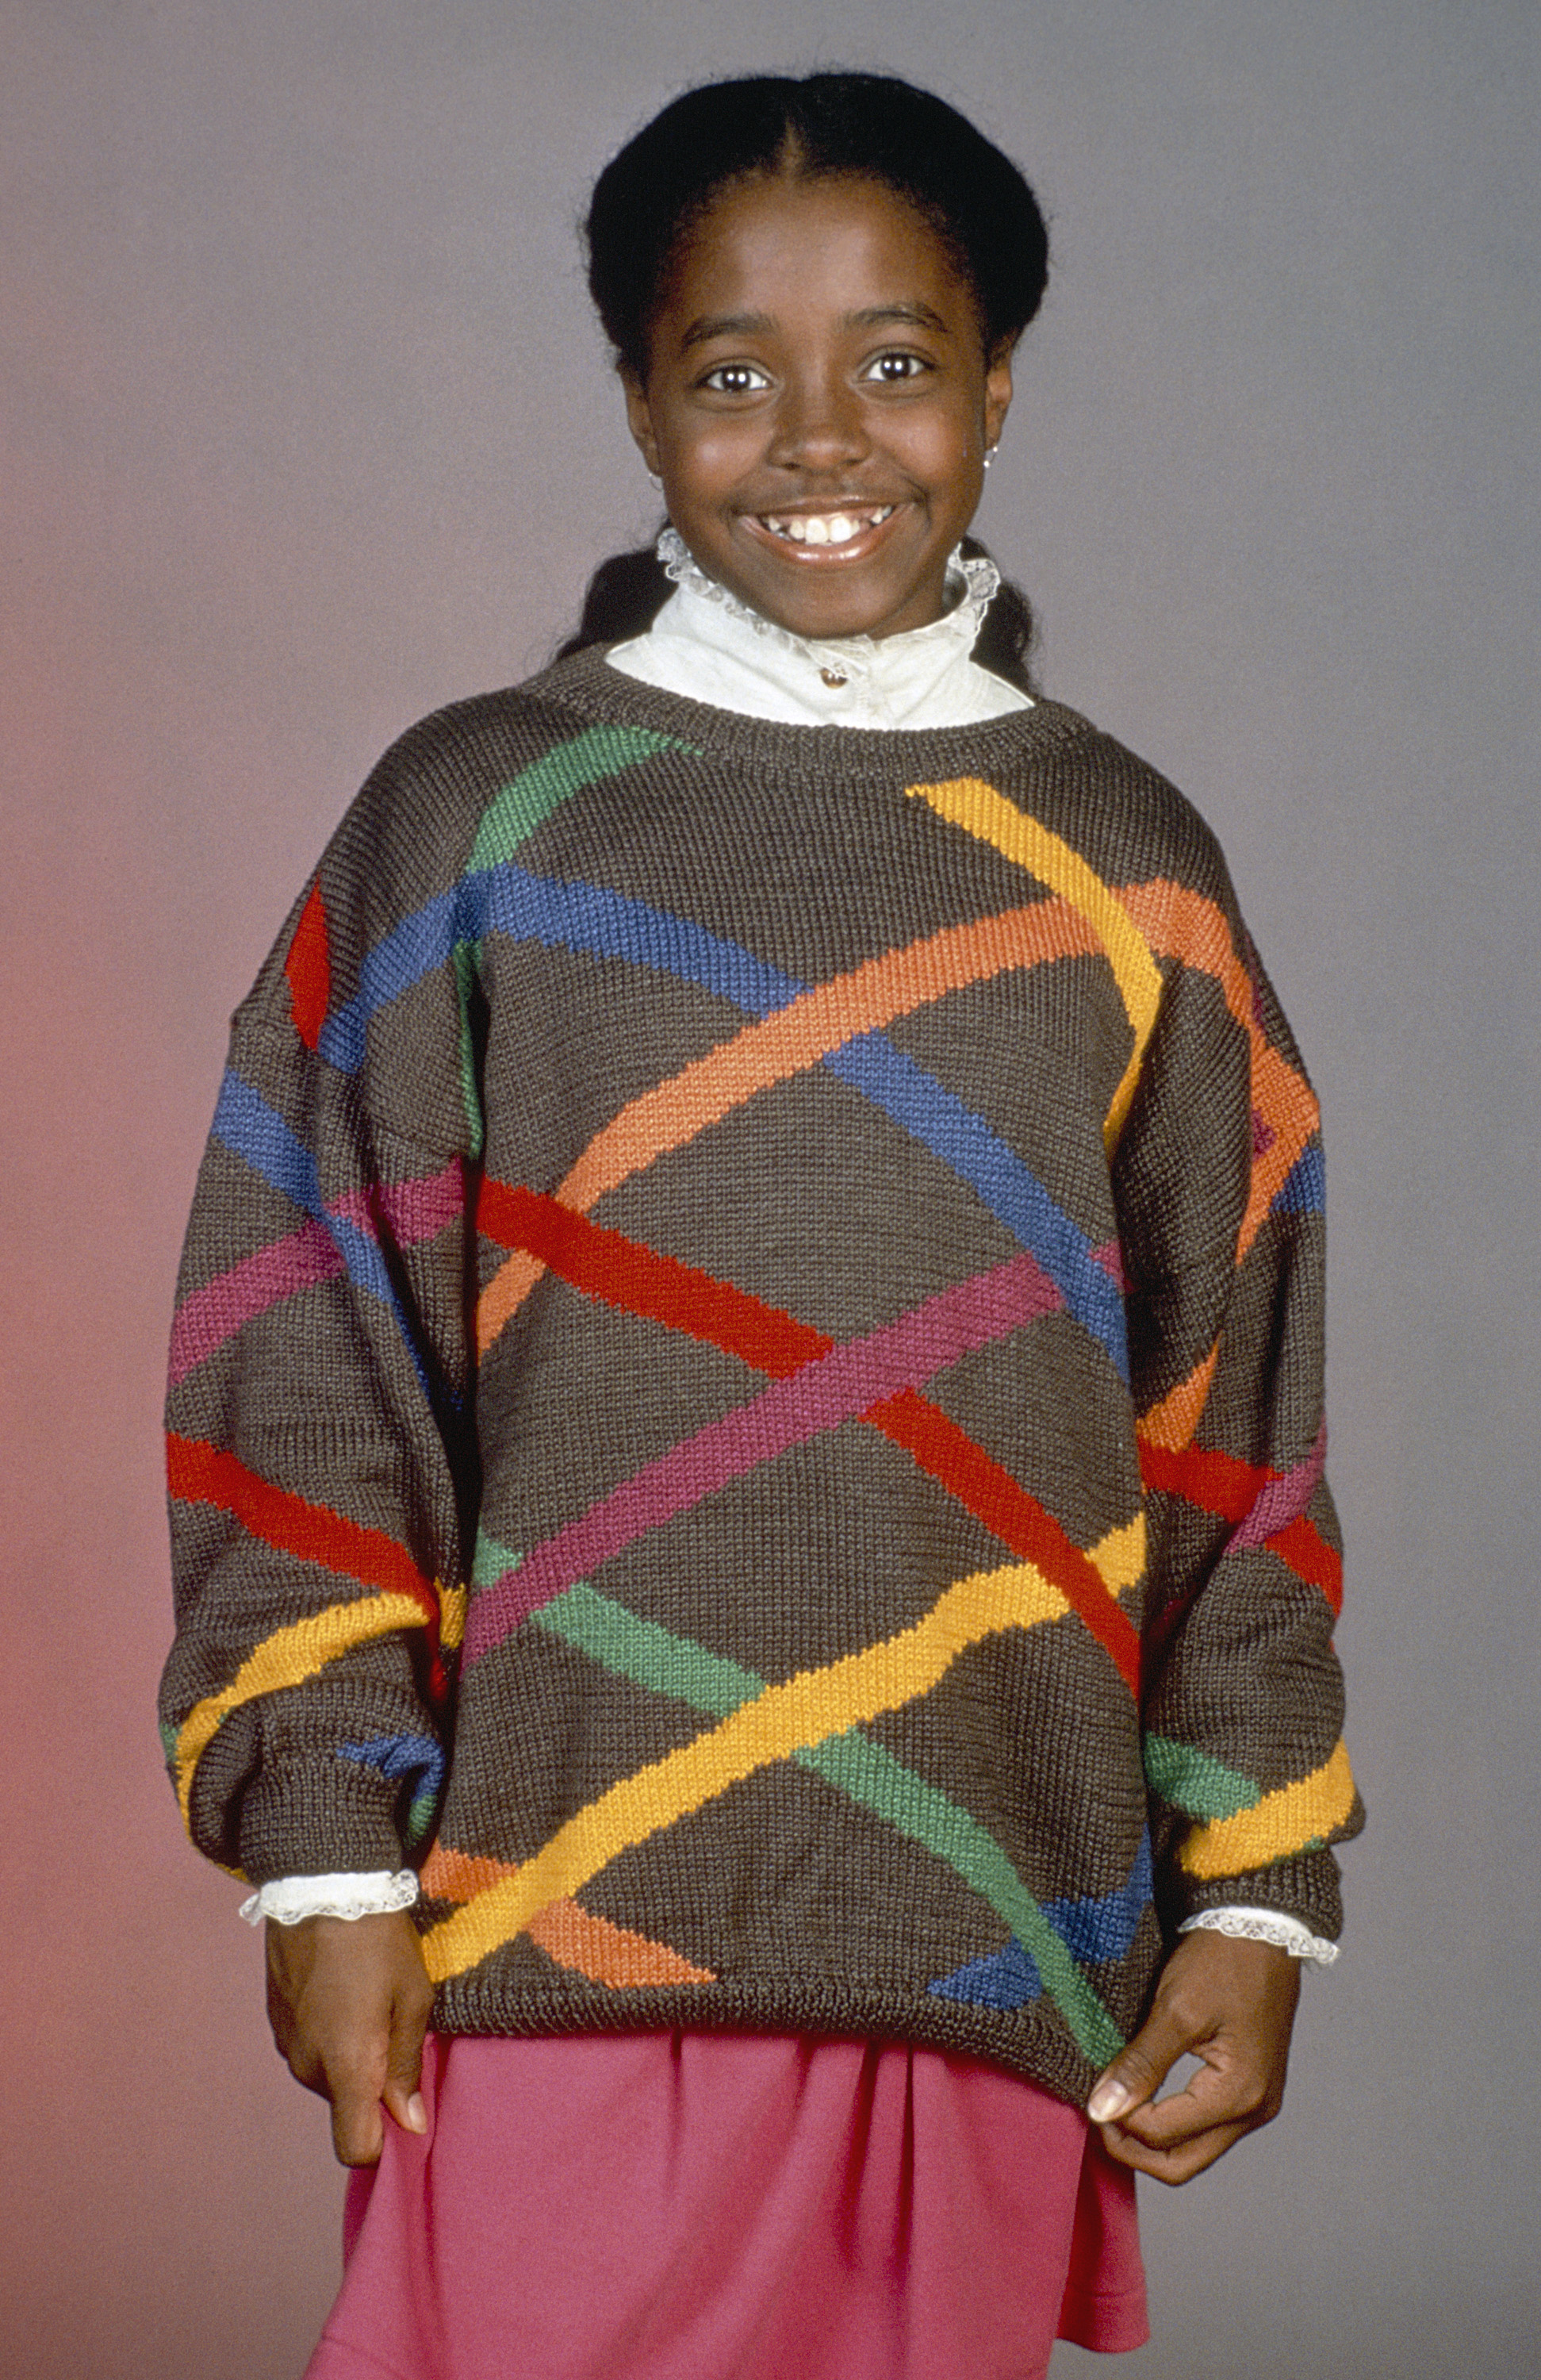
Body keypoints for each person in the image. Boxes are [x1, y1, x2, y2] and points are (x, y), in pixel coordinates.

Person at [161, 70, 1361, 2380]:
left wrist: (1266, 1894)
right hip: (544, 1907)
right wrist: (321, 1852)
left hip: (997, 1928)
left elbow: (1241, 1421)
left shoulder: (1127, 867)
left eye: (899, 364)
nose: (822, 440)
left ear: (1001, 381)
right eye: (733, 375)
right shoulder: (480, 816)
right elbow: (311, 1343)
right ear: (637, 396)